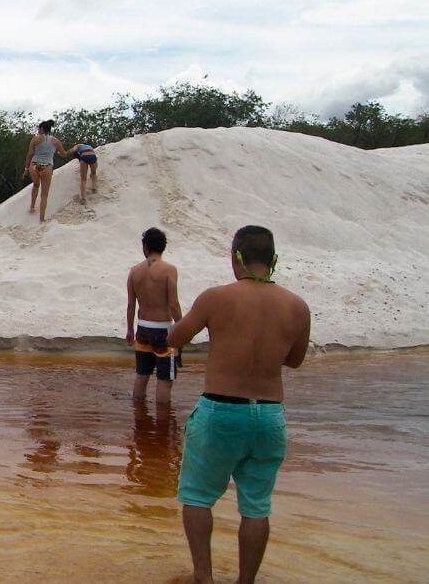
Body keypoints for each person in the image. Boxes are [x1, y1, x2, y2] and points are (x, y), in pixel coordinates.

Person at [166, 225, 310, 584]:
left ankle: (204, 576)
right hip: (269, 415)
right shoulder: (298, 307)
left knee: (198, 497)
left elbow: (175, 337)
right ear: (273, 260)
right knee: (257, 506)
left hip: (220, 410)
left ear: (237, 259)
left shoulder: (216, 298)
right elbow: (294, 361)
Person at [126, 227, 183, 404]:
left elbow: (130, 305)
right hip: (163, 331)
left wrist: (129, 329)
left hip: (142, 329)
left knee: (142, 376)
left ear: (145, 247)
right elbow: (173, 304)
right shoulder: (169, 270)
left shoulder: (134, 271)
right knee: (164, 381)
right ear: (163, 247)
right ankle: (162, 428)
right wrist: (181, 328)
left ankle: (139, 422)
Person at [22, 119, 66, 223]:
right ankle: (41, 219)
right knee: (44, 194)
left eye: (38, 129)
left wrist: (26, 168)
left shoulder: (35, 139)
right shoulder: (56, 141)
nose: (38, 131)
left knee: (36, 185)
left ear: (41, 128)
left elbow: (30, 154)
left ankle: (32, 206)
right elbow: (64, 154)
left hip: (34, 165)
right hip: (47, 167)